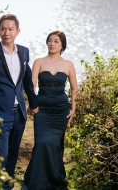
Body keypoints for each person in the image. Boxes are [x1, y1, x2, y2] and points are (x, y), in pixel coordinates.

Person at [0, 14, 39, 190]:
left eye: (11, 29)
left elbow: (27, 81)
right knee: (1, 155)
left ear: (17, 31)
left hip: (19, 113)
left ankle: (8, 185)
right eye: (3, 29)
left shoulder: (24, 52)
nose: (7, 32)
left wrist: (33, 104)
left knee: (13, 153)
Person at [22, 30, 78, 190]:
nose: (51, 44)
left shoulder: (68, 65)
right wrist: (32, 104)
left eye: (56, 41)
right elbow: (31, 85)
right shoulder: (39, 62)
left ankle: (54, 180)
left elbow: (74, 89)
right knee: (41, 143)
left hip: (61, 110)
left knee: (54, 145)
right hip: (42, 110)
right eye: (49, 41)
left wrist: (73, 109)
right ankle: (38, 181)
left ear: (62, 45)